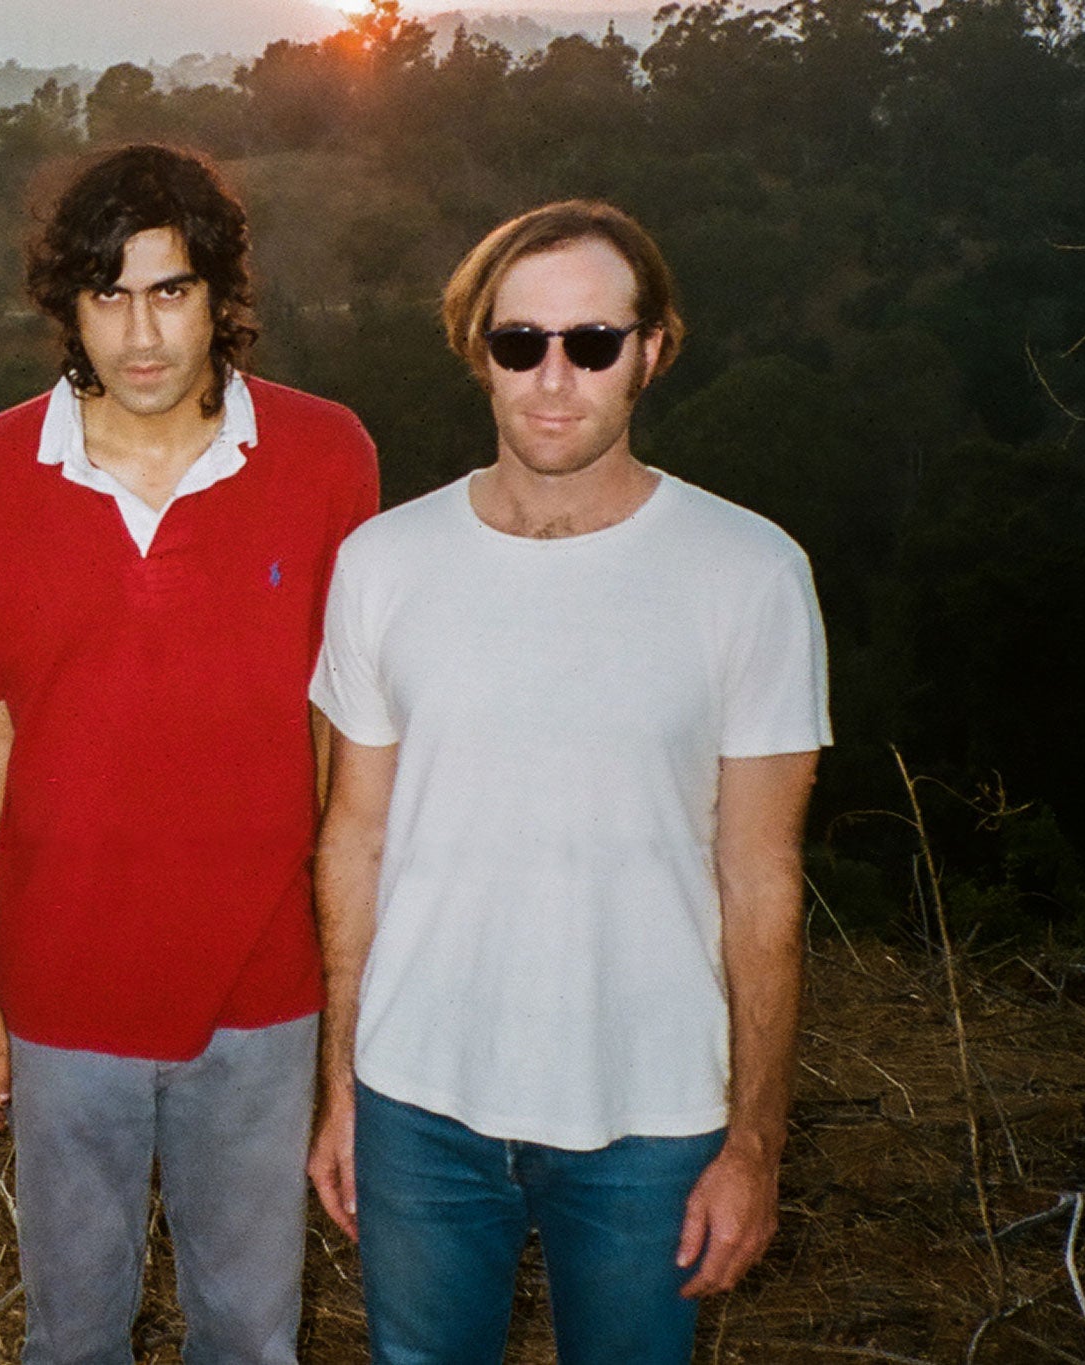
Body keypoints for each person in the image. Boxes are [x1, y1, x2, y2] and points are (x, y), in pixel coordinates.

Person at [305, 199, 831, 1363]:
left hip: (653, 1118)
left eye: (591, 343)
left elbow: (760, 879)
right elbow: (353, 839)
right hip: (415, 1104)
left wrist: (754, 1144)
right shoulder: (382, 563)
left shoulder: (748, 574)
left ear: (651, 349)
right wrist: (340, 1088)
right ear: (476, 351)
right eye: (518, 342)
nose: (552, 378)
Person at [0, 142, 379, 1364]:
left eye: (170, 291)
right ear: (67, 306)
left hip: (262, 986)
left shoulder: (326, 456)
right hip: (57, 987)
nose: (140, 334)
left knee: (247, 1333)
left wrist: (346, 974)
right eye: (108, 294)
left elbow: (343, 733)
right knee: (72, 1337)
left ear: (217, 293)